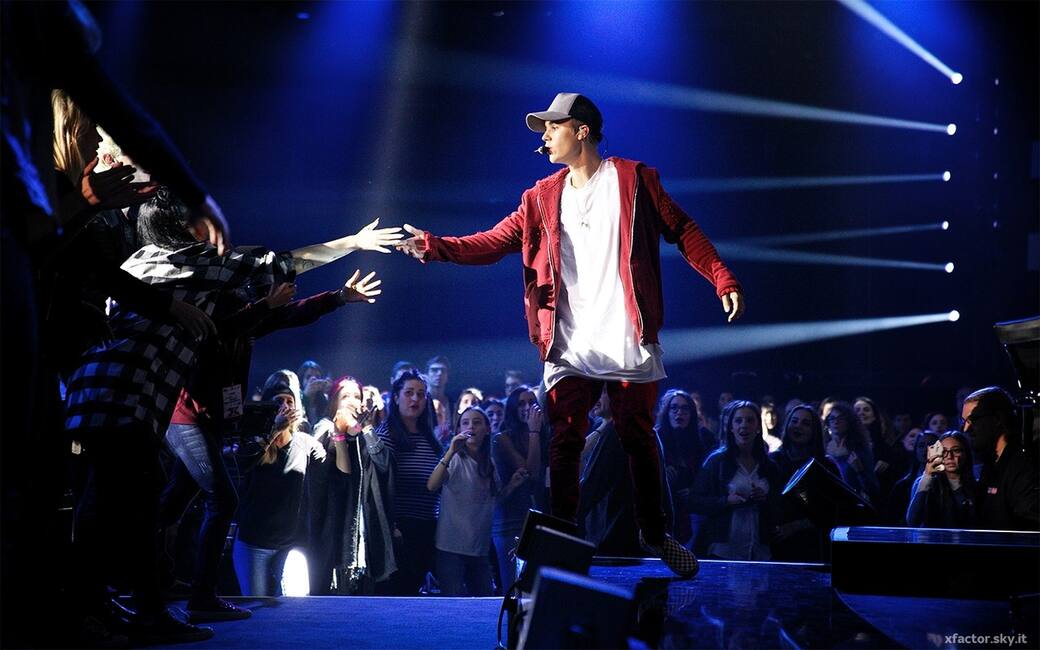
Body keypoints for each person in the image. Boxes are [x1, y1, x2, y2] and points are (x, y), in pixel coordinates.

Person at [397, 92, 744, 577]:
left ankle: (655, 532)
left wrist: (721, 276)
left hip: (624, 334)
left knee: (638, 437)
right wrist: (435, 246)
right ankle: (561, 537)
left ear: (582, 131)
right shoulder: (540, 197)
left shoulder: (634, 180)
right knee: (564, 440)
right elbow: (493, 241)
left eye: (552, 126)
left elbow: (682, 228)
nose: (544, 136)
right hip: (569, 340)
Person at [233, 374, 327, 596]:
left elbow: (331, 469)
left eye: (289, 401)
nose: (285, 406)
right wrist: (273, 430)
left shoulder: (305, 443)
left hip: (291, 544)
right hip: (254, 543)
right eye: (278, 401)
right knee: (257, 605)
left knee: (294, 607)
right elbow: (242, 463)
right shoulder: (255, 441)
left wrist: (342, 438)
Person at [309, 376, 396, 595]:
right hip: (333, 523)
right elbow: (336, 472)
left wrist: (367, 427)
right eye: (345, 395)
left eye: (357, 396)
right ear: (334, 401)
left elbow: (383, 464)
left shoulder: (365, 432)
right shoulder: (324, 427)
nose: (352, 400)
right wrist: (339, 434)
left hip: (363, 528)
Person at [374, 370, 444, 595]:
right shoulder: (387, 434)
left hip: (428, 526)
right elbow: (380, 487)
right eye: (409, 393)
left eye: (421, 394)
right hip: (400, 529)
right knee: (398, 593)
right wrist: (392, 526)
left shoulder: (428, 436)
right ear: (396, 397)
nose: (415, 399)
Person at [689, 400, 781, 560]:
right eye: (738, 421)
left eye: (750, 420)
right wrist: (726, 501)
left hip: (759, 550)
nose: (744, 425)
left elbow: (780, 505)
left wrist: (765, 499)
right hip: (723, 550)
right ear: (731, 427)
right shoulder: (716, 462)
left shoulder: (769, 465)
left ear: (758, 427)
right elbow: (694, 501)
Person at [427, 406, 505, 596]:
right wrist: (450, 451)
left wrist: (513, 485)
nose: (471, 427)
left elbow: (492, 498)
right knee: (454, 604)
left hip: (479, 547)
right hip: (451, 547)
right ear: (458, 430)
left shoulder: (490, 463)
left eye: (477, 423)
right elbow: (432, 485)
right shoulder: (455, 459)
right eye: (465, 423)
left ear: (487, 429)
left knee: (483, 601)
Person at [961, 387, 1039, 530]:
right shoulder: (990, 466)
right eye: (964, 421)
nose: (965, 429)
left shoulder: (1023, 466)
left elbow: (1029, 526)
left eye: (973, 419)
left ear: (997, 419)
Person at [769, 404, 838, 562]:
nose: (798, 426)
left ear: (815, 431)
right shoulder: (773, 461)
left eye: (805, 423)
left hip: (812, 546)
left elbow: (832, 510)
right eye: (794, 421)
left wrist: (796, 526)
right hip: (775, 545)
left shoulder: (825, 466)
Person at [490, 385, 544, 589]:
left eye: (531, 402)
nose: (527, 407)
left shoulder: (544, 436)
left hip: (536, 518)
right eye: (521, 403)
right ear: (513, 408)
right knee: (512, 585)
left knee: (534, 586)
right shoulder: (502, 439)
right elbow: (531, 472)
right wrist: (534, 431)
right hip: (509, 520)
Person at [655, 389, 715, 546]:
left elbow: (711, 478)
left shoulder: (703, 440)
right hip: (661, 510)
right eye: (674, 408)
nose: (679, 413)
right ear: (667, 412)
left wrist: (695, 490)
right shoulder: (655, 439)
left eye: (684, 408)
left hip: (692, 512)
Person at [906, 431, 977, 528]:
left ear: (966, 454)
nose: (949, 456)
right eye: (944, 451)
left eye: (956, 450)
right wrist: (927, 476)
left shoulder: (976, 485)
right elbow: (913, 521)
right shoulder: (925, 482)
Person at [823, 401, 879, 505]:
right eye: (832, 418)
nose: (836, 422)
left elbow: (873, 489)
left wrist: (860, 471)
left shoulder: (859, 449)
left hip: (850, 504)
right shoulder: (823, 447)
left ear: (849, 422)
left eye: (840, 418)